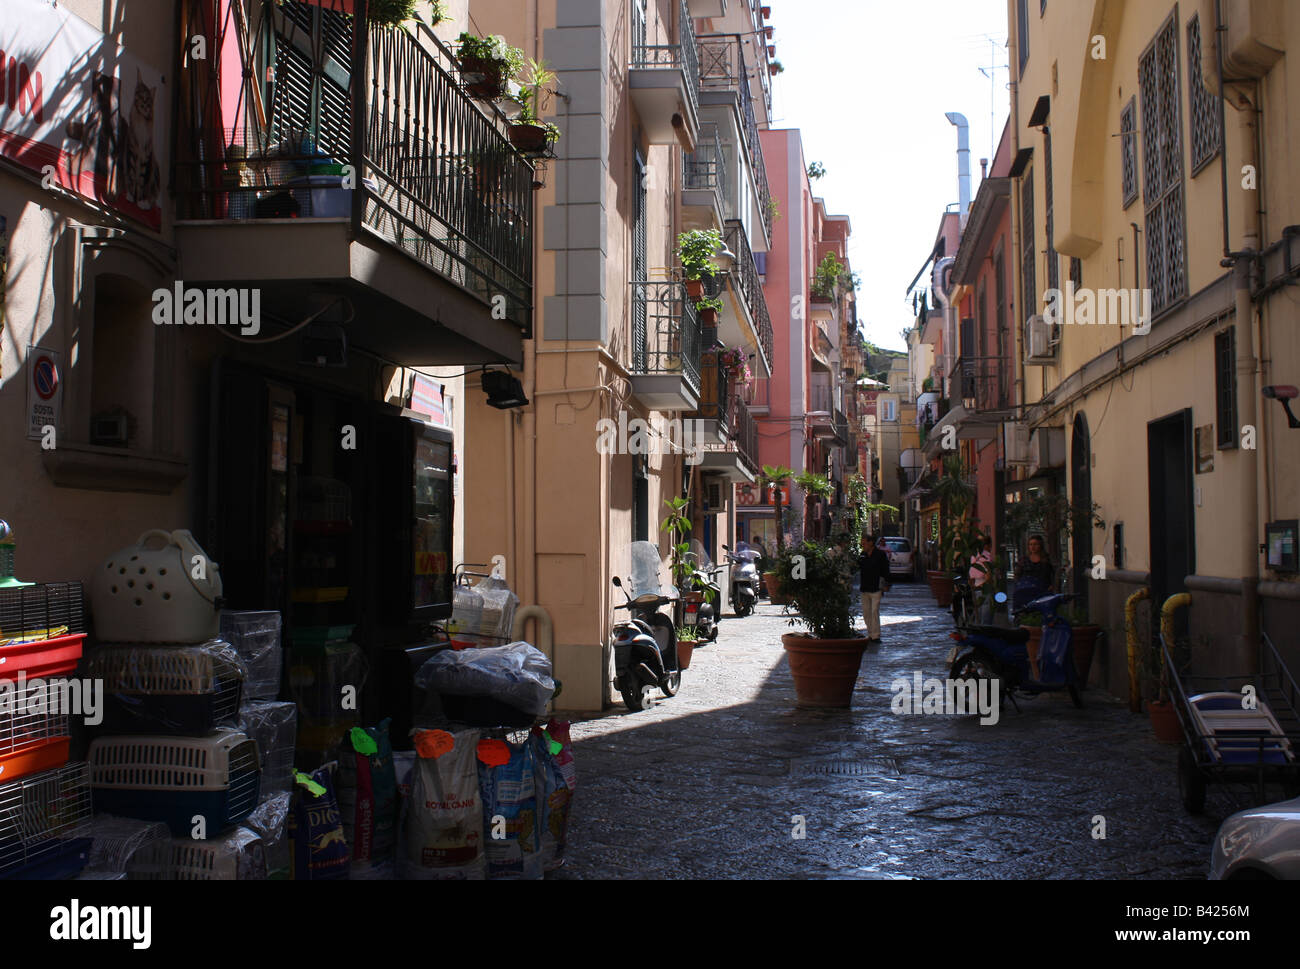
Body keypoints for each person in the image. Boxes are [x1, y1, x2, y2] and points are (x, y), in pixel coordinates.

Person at [857, 533, 892, 643]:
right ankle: (870, 633)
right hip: (865, 587)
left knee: (874, 611)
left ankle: (875, 635)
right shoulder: (863, 555)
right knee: (866, 612)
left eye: (864, 543)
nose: (863, 545)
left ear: (871, 543)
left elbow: (886, 570)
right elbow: (857, 567)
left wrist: (887, 584)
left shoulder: (880, 555)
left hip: (876, 587)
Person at [1013, 534, 1055, 612]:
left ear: (1040, 545)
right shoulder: (1024, 560)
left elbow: (1052, 574)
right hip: (1026, 592)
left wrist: (1052, 586)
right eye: (1030, 544)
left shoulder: (1047, 559)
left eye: (1035, 544)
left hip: (1043, 591)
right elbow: (1017, 575)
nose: (1032, 547)